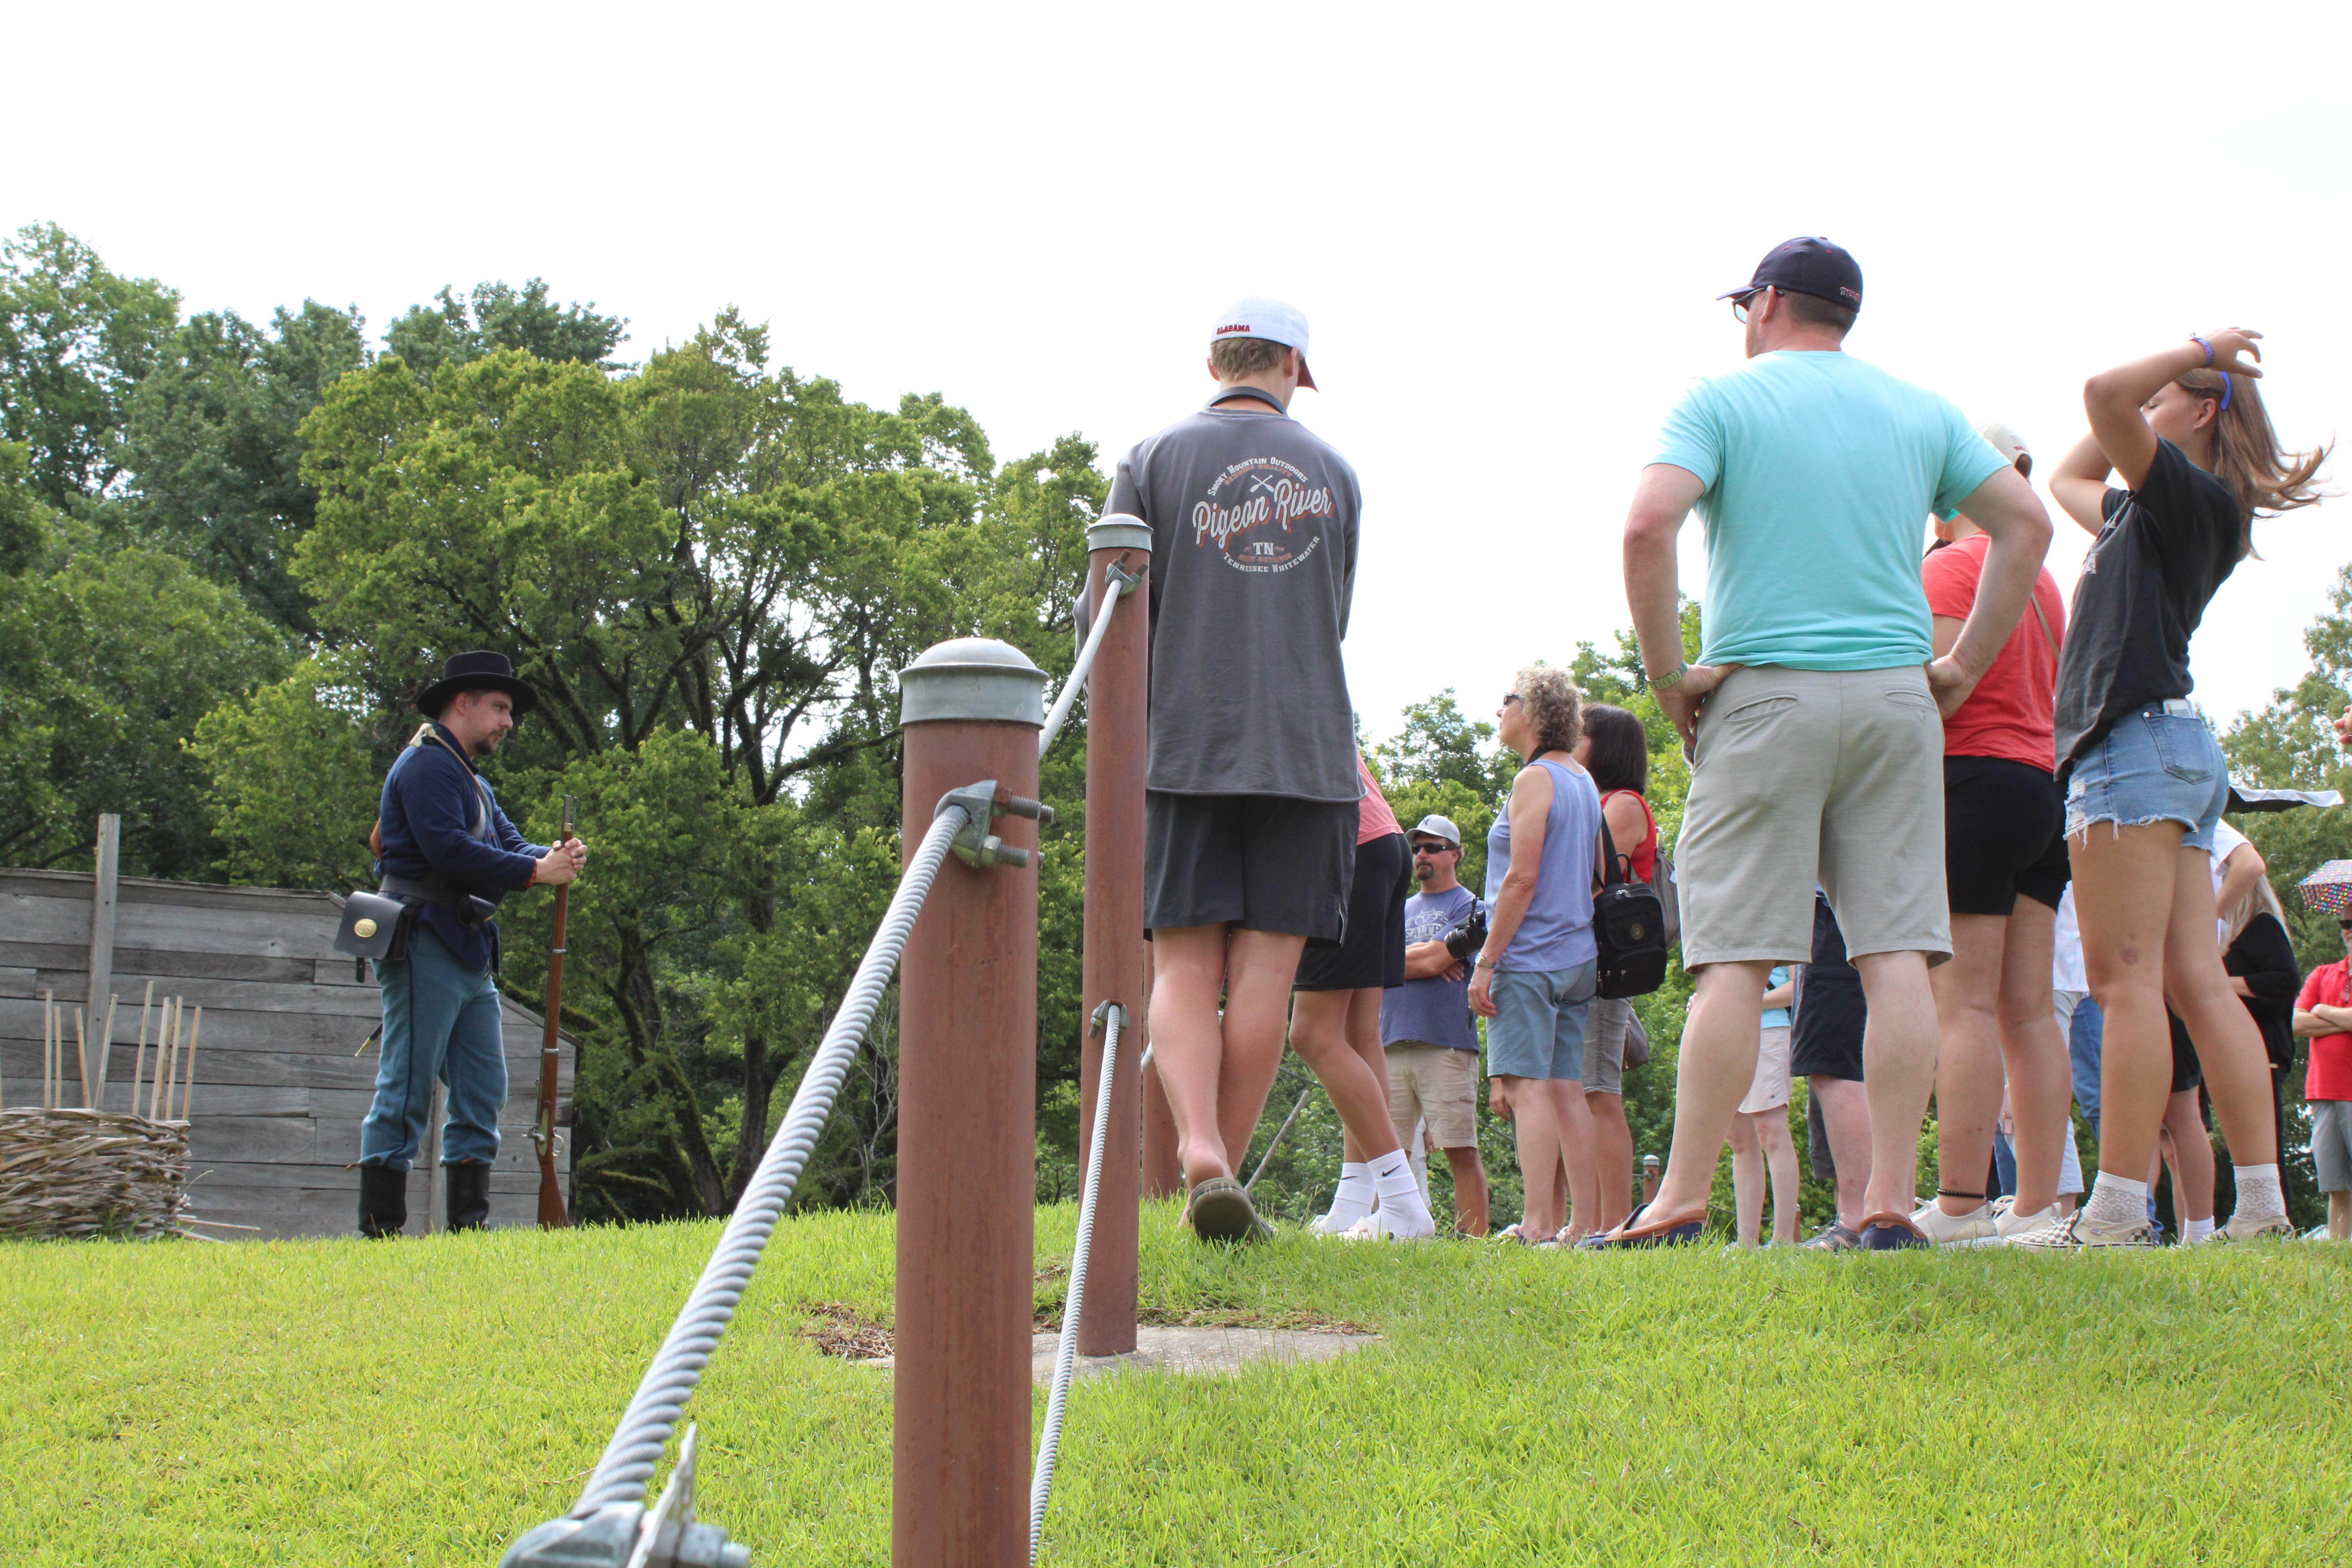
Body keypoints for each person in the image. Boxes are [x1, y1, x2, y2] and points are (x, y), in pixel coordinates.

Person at [1613, 236, 2052, 1249]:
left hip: (1766, 696)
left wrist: (1672, 677)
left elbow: (1648, 527)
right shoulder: (1920, 408)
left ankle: (1681, 1200)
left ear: (1765, 304)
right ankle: (1891, 1205)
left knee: (1735, 958)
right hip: (1899, 700)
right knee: (1896, 949)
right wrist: (1962, 668)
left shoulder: (1724, 401)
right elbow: (2023, 523)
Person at [2018, 327, 2327, 1249]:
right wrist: (2186, 383)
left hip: (2133, 751)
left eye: (2165, 403)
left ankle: (2115, 1208)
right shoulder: (2150, 511)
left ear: (2196, 411)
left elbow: (2102, 393)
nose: (2140, 414)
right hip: (2177, 751)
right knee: (2194, 980)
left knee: (2123, 984)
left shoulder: (2190, 497)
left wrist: (2199, 348)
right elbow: (2073, 469)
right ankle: (2263, 1204)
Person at [1110, 296, 1367, 1243]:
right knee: (1265, 975)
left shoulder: (1152, 460)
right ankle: (1217, 1184)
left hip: (1184, 745)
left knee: (1182, 960)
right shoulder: (1335, 471)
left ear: (1215, 358)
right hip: (1306, 749)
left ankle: (1202, 1151)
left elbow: (1110, 618)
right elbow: (1331, 616)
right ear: (1295, 367)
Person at [1913, 423, 2078, 1244]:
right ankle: (2040, 1205)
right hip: (2044, 790)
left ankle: (1960, 1202)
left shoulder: (1948, 567)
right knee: (2029, 1009)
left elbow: (1933, 688)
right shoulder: (2044, 583)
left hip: (1972, 779)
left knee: (1964, 1003)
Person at [357, 652, 586, 1238]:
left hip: (466, 946)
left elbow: (508, 844)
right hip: (425, 937)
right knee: (407, 1086)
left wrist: (553, 857)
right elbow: (449, 851)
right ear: (464, 703)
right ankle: (381, 1232)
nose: (509, 722)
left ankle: (468, 1229)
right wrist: (538, 874)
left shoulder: (473, 780)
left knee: (483, 1089)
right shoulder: (427, 767)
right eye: (501, 708)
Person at [1470, 667, 1604, 1244]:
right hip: (1579, 956)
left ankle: (1537, 1224)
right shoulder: (1583, 780)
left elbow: (1520, 879)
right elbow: (1596, 875)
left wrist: (1486, 961)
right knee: (1567, 1089)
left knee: (1526, 1089)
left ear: (1533, 711)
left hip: (1529, 958)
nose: (1500, 710)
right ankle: (1585, 1225)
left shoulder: (1535, 780)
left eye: (1508, 700)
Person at [1293, 755, 1436, 1240]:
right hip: (1383, 841)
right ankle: (1355, 1202)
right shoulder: (1306, 679)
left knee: (1312, 1033)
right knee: (1358, 1032)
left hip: (1344, 848)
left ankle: (1402, 1204)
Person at [1380, 814, 1491, 1236]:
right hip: (1388, 1041)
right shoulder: (1400, 907)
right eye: (1418, 847)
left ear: (1456, 855)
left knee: (1460, 1149)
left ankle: (1473, 1244)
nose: (1422, 855)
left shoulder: (1472, 906)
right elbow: (1421, 960)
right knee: (1387, 1153)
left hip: (1446, 1043)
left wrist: (1417, 959)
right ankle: (1388, 1235)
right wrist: (1427, 958)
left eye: (1433, 847)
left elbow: (1432, 960)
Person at [1575, 702, 1655, 1232]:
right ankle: (1589, 1222)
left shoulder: (1623, 804)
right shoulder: (1594, 800)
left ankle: (1611, 1223)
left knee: (1599, 1092)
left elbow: (1588, 872)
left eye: (1580, 733)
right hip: (1579, 962)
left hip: (1605, 965)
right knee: (1579, 1090)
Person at [1791, 897, 1871, 1249]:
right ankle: (1885, 1213)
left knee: (1834, 1063)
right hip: (1896, 913)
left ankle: (1858, 1222)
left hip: (1841, 907)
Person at [1727, 965, 1800, 1246]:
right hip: (1725, 1030)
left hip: (1770, 1029)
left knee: (1770, 1130)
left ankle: (1783, 1242)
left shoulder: (1786, 923)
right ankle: (1746, 1243)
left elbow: (1796, 987)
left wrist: (1749, 1002)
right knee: (1738, 1139)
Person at [2293, 907, 2352, 1242]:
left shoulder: (2320, 989)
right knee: (2336, 1185)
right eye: (2346, 923)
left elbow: (2309, 1016)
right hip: (2323, 1091)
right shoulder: (2323, 974)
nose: (2351, 930)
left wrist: (2322, 1011)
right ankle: (2339, 1253)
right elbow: (2297, 1023)